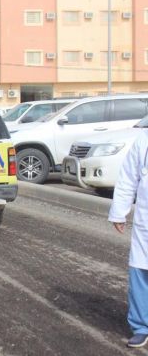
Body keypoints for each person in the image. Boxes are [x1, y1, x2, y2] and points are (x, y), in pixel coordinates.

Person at [108, 130, 148, 348]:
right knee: (141, 273)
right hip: (146, 222)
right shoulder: (144, 139)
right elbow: (128, 178)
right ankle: (141, 326)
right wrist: (119, 212)